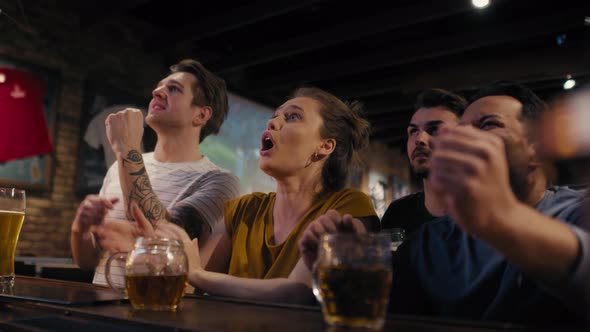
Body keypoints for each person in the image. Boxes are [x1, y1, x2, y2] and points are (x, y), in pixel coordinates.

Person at [299, 82, 589, 325]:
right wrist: (339, 270)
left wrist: (502, 217)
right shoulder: (430, 243)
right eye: (460, 129)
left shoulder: (574, 211)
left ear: (536, 147)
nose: (462, 138)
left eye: (488, 124)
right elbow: (377, 315)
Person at [93, 87, 379, 303]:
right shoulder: (243, 210)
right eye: (274, 116)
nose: (273, 123)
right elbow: (189, 286)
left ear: (325, 146)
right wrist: (153, 248)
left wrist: (197, 273)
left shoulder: (349, 204)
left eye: (292, 117)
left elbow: (299, 291)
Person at [70, 59, 241, 287]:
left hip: (155, 312)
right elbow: (87, 262)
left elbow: (162, 241)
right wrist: (80, 230)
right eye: (159, 86)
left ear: (201, 115)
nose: (157, 92)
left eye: (173, 89)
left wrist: (127, 149)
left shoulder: (220, 181)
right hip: (98, 307)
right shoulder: (118, 167)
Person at [381, 89, 466, 234]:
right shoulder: (397, 213)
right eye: (414, 131)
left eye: (434, 129)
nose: (419, 139)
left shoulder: (484, 215)